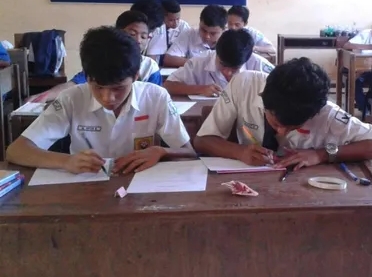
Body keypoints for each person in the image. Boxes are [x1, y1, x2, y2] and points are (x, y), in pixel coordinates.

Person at [6, 26, 195, 174]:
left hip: (139, 188)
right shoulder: (72, 98)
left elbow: (189, 152)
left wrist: (161, 152)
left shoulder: (155, 97)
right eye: (97, 87)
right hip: (86, 188)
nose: (107, 98)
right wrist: (66, 161)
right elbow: (16, 151)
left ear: (136, 76)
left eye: (118, 88)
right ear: (86, 76)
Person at [194, 58, 372, 169]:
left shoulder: (326, 112)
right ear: (264, 98)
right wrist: (240, 152)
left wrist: (321, 154)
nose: (281, 132)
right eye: (276, 122)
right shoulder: (243, 85)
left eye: (292, 127)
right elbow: (202, 141)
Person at [36, 11, 164, 102]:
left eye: (144, 36)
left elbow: (155, 98)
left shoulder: (150, 67)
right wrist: (45, 96)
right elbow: (74, 84)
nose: (138, 40)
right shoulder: (103, 60)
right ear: (118, 33)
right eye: (132, 34)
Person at [164, 29, 274, 97]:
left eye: (235, 68)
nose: (227, 72)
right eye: (222, 64)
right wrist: (200, 89)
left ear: (248, 58)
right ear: (216, 52)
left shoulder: (259, 65)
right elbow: (168, 85)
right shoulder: (199, 62)